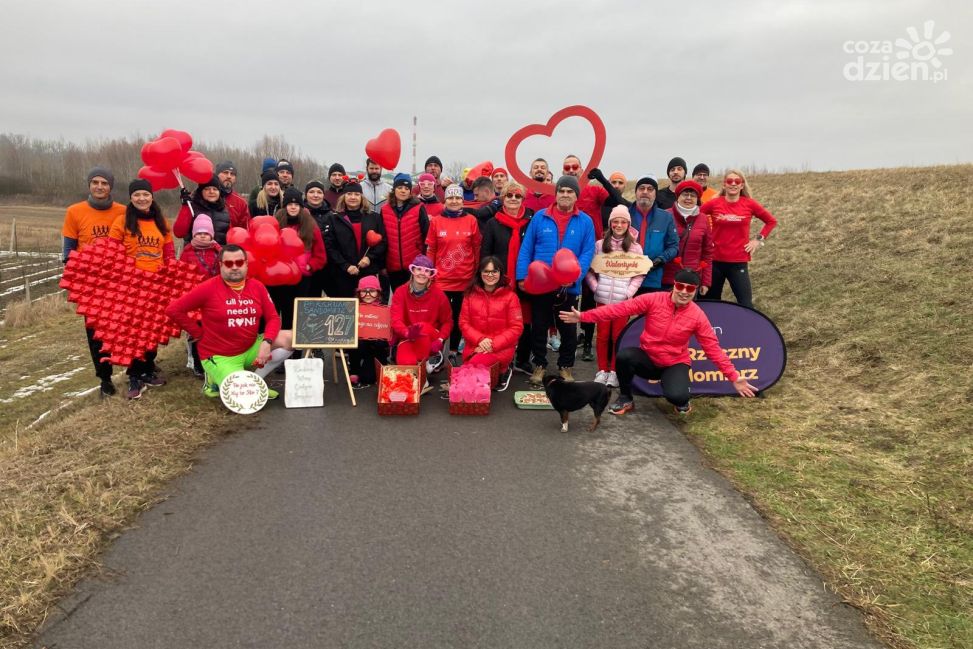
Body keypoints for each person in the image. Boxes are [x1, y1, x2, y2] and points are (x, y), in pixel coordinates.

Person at [560, 268, 757, 415]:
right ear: (674, 285)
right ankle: (626, 398)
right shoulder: (654, 299)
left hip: (674, 363)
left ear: (695, 291)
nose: (684, 292)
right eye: (680, 286)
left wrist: (733, 377)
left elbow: (713, 349)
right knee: (625, 356)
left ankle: (678, 393)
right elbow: (619, 309)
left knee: (678, 397)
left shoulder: (698, 316)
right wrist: (584, 316)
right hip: (649, 359)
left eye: (690, 289)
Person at [166, 244, 294, 400]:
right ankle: (214, 379)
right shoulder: (207, 288)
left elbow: (273, 317)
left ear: (246, 264)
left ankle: (257, 382)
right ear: (221, 265)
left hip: (250, 348)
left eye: (239, 262)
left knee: (291, 338)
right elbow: (174, 309)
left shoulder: (257, 286)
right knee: (243, 400)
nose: (234, 267)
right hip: (220, 355)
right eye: (228, 263)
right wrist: (197, 333)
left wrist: (267, 342)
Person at [515, 175, 596, 386]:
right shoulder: (540, 217)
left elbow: (588, 252)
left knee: (568, 328)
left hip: (569, 287)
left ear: (576, 196)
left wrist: (575, 277)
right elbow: (526, 248)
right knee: (539, 326)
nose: (565, 195)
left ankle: (565, 366)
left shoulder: (585, 221)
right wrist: (522, 276)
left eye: (570, 192)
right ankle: (540, 365)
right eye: (562, 191)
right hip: (541, 283)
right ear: (556, 193)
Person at [62, 166, 127, 396]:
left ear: (111, 187)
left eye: (104, 183)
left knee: (125, 327)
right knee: (96, 333)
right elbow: (68, 250)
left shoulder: (123, 211)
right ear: (89, 185)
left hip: (119, 281)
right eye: (95, 182)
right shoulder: (74, 212)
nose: (99, 187)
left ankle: (135, 369)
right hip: (91, 284)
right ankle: (105, 379)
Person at [108, 179, 174, 399]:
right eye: (137, 195)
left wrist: (169, 276)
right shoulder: (122, 222)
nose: (142, 198)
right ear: (131, 197)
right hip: (132, 287)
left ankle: (147, 370)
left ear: (152, 197)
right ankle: (134, 376)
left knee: (152, 330)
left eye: (145, 194)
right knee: (134, 333)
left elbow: (169, 253)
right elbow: (112, 253)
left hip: (156, 286)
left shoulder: (161, 222)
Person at [699, 169, 778, 308]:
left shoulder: (749, 204)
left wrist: (758, 240)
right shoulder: (714, 203)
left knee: (746, 304)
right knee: (710, 303)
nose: (733, 184)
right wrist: (704, 238)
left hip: (738, 262)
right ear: (724, 184)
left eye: (737, 181)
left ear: (742, 185)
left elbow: (771, 221)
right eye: (730, 181)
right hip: (714, 261)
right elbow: (695, 217)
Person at [585, 206, 645, 387]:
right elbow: (589, 270)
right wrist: (596, 288)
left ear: (628, 224)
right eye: (615, 222)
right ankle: (602, 370)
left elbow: (639, 274)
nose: (619, 225)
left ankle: (614, 371)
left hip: (622, 302)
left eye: (623, 222)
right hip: (603, 300)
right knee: (602, 336)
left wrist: (629, 293)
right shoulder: (599, 245)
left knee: (617, 337)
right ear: (610, 223)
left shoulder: (635, 247)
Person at [479, 181, 534, 374]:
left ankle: (523, 358)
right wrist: (488, 277)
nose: (513, 199)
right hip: (500, 280)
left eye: (517, 196)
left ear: (523, 199)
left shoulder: (532, 221)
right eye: (509, 195)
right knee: (499, 321)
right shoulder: (493, 223)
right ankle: (501, 358)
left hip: (525, 280)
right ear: (503, 198)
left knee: (525, 320)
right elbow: (486, 253)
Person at [426, 183, 481, 361]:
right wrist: (430, 274)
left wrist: (476, 274)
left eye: (458, 198)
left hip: (464, 280)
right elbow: (431, 250)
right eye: (450, 198)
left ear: (463, 200)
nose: (454, 201)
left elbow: (476, 248)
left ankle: (453, 351)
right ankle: (437, 351)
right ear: (445, 200)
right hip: (442, 279)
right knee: (440, 318)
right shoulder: (436, 221)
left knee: (459, 317)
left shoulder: (471, 220)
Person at [459, 256, 524, 390]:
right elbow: (463, 323)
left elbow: (516, 328)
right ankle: (497, 375)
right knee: (468, 375)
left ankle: (502, 371)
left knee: (472, 372)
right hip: (475, 346)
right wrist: (480, 340)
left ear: (501, 273)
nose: (490, 275)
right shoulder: (469, 295)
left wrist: (492, 345)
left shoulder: (511, 297)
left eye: (494, 271)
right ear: (480, 273)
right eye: (486, 271)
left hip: (500, 348)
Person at [390, 255, 452, 393]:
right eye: (418, 269)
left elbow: (447, 321)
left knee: (421, 327)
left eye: (427, 271)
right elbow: (395, 319)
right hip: (408, 337)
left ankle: (427, 363)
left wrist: (440, 339)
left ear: (431, 274)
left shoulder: (439, 295)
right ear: (412, 270)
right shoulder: (400, 292)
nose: (422, 274)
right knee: (406, 364)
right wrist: (406, 332)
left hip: (431, 338)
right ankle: (421, 375)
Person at [270, 188, 327, 327]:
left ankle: (295, 340)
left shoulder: (310, 225)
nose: (293, 207)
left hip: (302, 277)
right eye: (290, 204)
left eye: (296, 204)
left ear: (301, 206)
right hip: (280, 276)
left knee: (297, 314)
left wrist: (310, 266)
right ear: (285, 206)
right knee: (280, 310)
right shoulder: (276, 223)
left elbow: (320, 254)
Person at [322, 180, 385, 298]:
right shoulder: (333, 219)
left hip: (367, 272)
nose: (353, 197)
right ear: (343, 197)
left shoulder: (374, 217)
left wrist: (369, 257)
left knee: (366, 305)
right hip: (343, 273)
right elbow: (330, 246)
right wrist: (346, 266)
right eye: (349, 194)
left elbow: (382, 241)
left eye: (356, 194)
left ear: (362, 197)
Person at [178, 214, 221, 377]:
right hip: (195, 299)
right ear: (194, 234)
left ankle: (214, 360)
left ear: (211, 234)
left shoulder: (218, 250)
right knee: (197, 332)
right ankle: (198, 363)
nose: (203, 236)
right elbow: (181, 273)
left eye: (206, 233)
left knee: (214, 330)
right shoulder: (187, 252)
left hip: (214, 297)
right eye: (199, 233)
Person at [380, 173, 430, 294]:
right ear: (394, 189)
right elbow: (382, 239)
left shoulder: (418, 207)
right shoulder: (385, 209)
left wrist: (424, 260)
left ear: (410, 191)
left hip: (415, 265)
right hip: (393, 265)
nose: (403, 191)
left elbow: (427, 236)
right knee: (398, 296)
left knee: (415, 297)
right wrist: (382, 264)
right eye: (400, 187)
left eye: (407, 188)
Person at [661, 180, 714, 293]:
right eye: (685, 194)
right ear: (678, 196)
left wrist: (705, 282)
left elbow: (707, 253)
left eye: (693, 195)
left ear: (697, 199)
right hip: (666, 279)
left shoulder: (704, 219)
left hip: (691, 279)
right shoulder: (664, 215)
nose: (689, 198)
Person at [629, 176, 679, 294]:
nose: (645, 192)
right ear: (636, 192)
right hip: (626, 278)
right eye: (641, 188)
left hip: (652, 278)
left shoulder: (666, 217)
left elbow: (674, 246)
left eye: (650, 189)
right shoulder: (624, 215)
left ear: (656, 194)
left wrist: (660, 260)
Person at [347, 275, 390, 389]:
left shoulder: (384, 310)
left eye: (372, 291)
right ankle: (354, 369)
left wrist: (384, 340)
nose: (368, 295)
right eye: (364, 291)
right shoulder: (354, 308)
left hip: (376, 348)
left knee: (368, 378)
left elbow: (389, 333)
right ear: (359, 293)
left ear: (378, 292)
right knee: (355, 343)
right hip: (360, 346)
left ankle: (379, 365)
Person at [173, 175, 231, 245]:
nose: (211, 191)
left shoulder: (225, 210)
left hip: (219, 251)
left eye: (215, 189)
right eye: (207, 189)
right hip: (194, 251)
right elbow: (179, 233)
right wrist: (185, 206)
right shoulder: (191, 208)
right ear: (201, 191)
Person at [304, 179, 333, 298]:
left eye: (319, 192)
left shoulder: (332, 215)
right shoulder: (300, 214)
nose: (315, 195)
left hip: (329, 266)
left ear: (323, 195)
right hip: (309, 266)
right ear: (306, 194)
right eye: (311, 192)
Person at [214, 161, 251, 230]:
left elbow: (245, 230)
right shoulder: (207, 196)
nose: (229, 176)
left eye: (232, 174)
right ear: (217, 175)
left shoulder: (241, 203)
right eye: (225, 172)